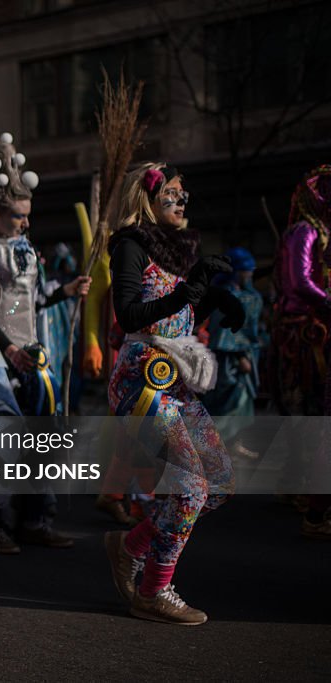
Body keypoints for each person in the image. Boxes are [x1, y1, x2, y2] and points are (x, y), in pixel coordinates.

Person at [103, 162, 238, 625]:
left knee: (217, 481)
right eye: (172, 194)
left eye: (184, 194)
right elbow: (128, 315)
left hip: (175, 378)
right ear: (148, 199)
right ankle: (154, 590)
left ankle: (131, 545)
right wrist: (188, 293)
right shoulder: (131, 244)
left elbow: (180, 307)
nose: (182, 202)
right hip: (142, 380)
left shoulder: (177, 247)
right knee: (191, 487)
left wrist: (215, 299)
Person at [0, 133, 90, 553]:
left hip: (33, 358)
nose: (25, 224)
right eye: (17, 216)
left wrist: (65, 291)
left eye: (27, 216)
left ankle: (35, 518)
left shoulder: (26, 248)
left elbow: (31, 301)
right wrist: (7, 350)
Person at [273, 165, 331, 537]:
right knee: (305, 408)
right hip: (302, 335)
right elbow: (300, 281)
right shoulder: (304, 232)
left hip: (319, 329)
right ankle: (305, 492)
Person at [201, 247, 265, 457]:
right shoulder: (225, 296)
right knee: (226, 405)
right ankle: (212, 448)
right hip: (228, 362)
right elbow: (224, 332)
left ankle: (233, 444)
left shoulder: (250, 295)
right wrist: (239, 357)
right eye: (247, 270)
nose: (250, 275)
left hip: (246, 357)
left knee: (242, 406)